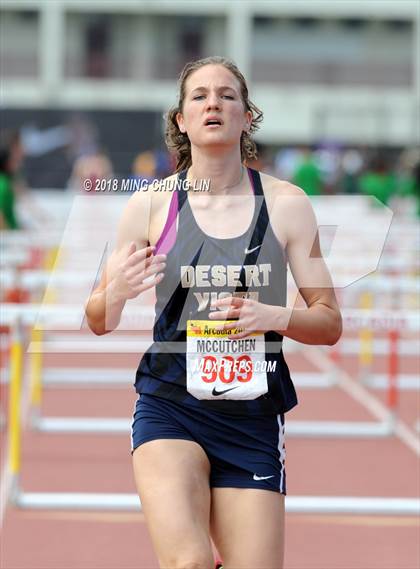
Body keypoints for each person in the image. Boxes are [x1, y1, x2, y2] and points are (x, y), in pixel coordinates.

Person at [86, 56, 342, 569]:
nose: (213, 104)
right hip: (170, 404)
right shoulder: (150, 206)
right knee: (190, 563)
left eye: (227, 95)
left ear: (248, 116)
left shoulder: (288, 205)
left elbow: (329, 321)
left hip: (251, 417)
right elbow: (98, 317)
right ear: (181, 120)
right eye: (199, 95)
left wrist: (273, 316)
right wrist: (116, 291)